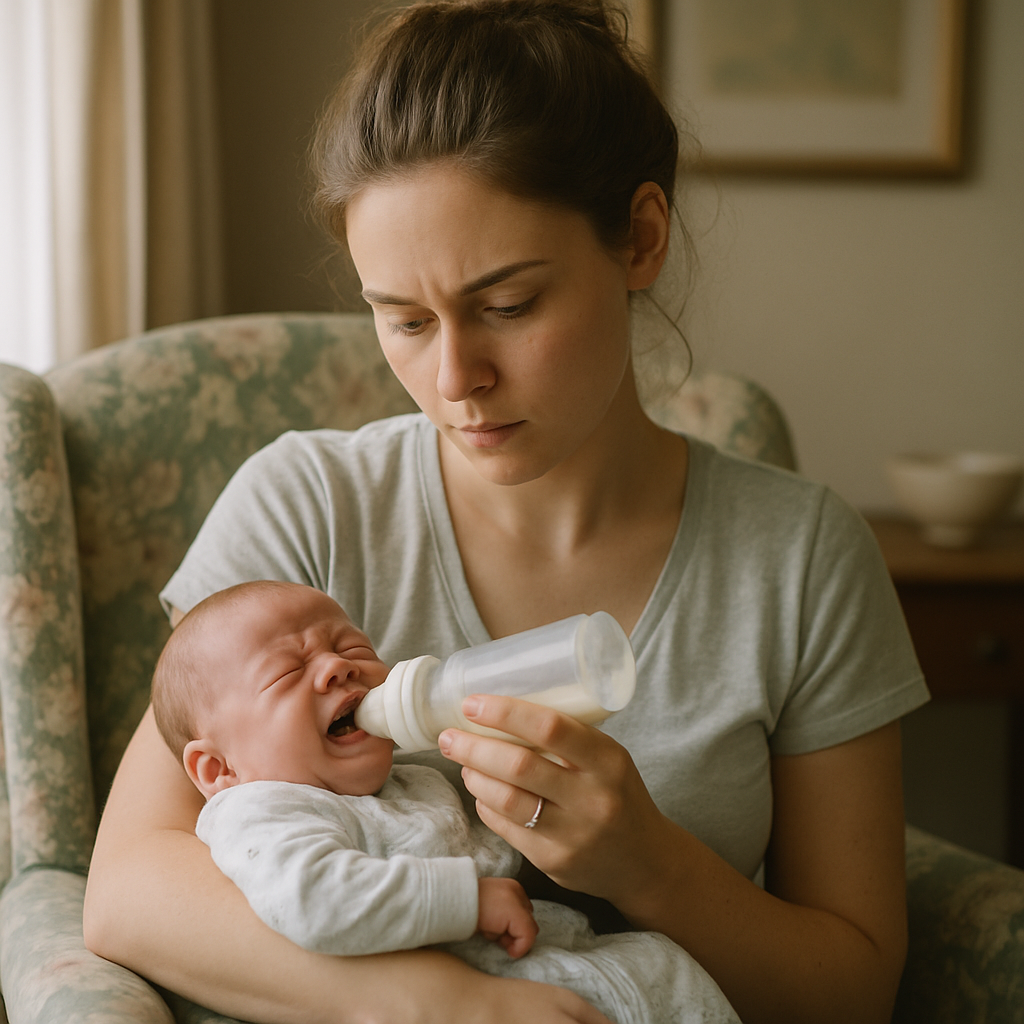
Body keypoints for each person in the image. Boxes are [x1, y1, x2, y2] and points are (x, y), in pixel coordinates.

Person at [83, 2, 930, 1022]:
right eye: (401, 318)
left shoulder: (799, 560)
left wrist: (652, 866)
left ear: (641, 238)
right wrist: (451, 1006)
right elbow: (130, 892)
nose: (454, 378)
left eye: (509, 305)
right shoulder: (307, 507)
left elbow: (855, 988)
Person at [151, 579, 738, 1023]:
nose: (336, 668)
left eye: (350, 645)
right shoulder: (261, 812)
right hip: (458, 994)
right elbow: (313, 895)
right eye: (287, 673)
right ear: (219, 767)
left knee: (667, 967)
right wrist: (464, 900)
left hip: (558, 960)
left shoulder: (412, 777)